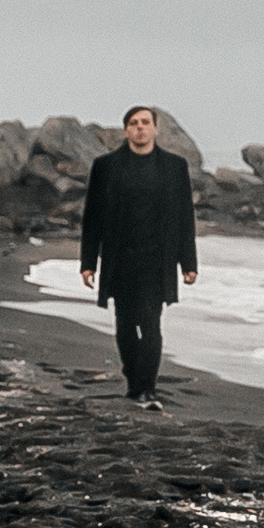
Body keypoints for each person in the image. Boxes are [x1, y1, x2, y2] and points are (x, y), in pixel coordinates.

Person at [79, 106, 199, 409]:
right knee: (124, 324)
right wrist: (88, 263)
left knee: (151, 322)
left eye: (145, 123)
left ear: (156, 129)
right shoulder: (106, 166)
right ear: (125, 131)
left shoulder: (174, 167)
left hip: (157, 259)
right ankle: (134, 380)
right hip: (120, 258)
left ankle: (147, 388)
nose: (140, 128)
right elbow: (92, 217)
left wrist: (189, 264)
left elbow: (186, 217)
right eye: (133, 124)